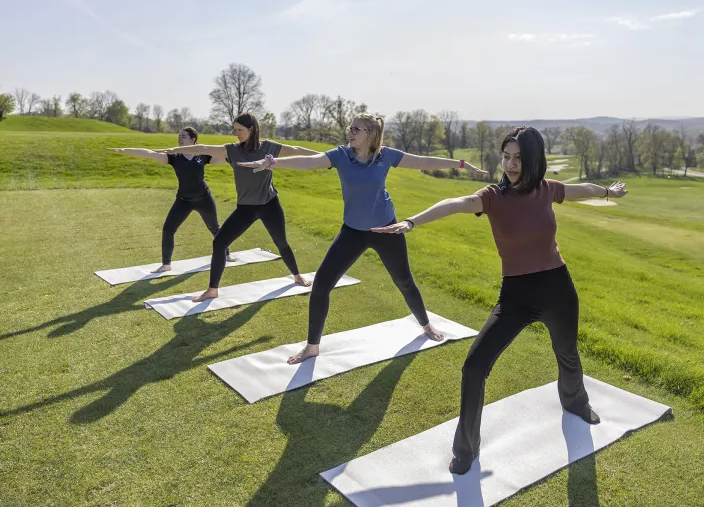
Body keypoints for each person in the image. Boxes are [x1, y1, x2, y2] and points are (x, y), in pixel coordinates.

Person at [370, 126, 628, 475]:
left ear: (533, 160)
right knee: (474, 366)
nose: (509, 164)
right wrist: (413, 222)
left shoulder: (545, 189)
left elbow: (580, 190)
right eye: (505, 157)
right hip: (515, 297)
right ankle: (465, 449)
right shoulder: (492, 196)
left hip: (557, 288)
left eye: (518, 158)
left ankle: (576, 403)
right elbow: (455, 204)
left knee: (567, 353)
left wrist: (608, 192)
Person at [238, 113, 487, 364]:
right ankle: (312, 346)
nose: (351, 132)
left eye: (357, 129)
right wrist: (272, 164)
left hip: (387, 230)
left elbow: (422, 161)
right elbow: (310, 162)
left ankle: (426, 325)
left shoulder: (386, 156)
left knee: (404, 281)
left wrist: (462, 164)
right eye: (350, 127)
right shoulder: (341, 155)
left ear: (370, 133)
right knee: (322, 285)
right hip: (352, 232)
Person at [157, 113, 318, 301]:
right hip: (245, 208)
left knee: (281, 242)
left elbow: (296, 149)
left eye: (239, 130)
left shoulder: (269, 147)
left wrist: (327, 158)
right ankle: (212, 290)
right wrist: (172, 150)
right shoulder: (232, 150)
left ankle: (297, 276)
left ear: (252, 129)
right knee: (219, 243)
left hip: (269, 205)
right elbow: (205, 148)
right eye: (234, 130)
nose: (236, 133)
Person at [107, 127, 232, 273]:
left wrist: (246, 151)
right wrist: (124, 150)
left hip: (204, 198)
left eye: (183, 136)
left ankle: (227, 253)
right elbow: (148, 153)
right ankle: (166, 264)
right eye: (179, 136)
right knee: (168, 229)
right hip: (183, 200)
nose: (180, 138)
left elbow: (228, 156)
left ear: (193, 139)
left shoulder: (203, 155)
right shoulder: (174, 156)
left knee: (215, 228)